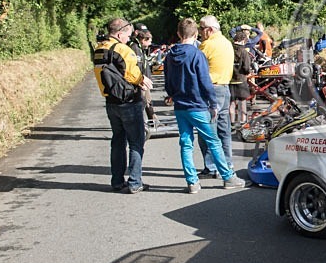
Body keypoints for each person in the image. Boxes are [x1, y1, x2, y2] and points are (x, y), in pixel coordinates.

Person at [163, 18, 246, 193]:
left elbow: (168, 81)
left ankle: (192, 182)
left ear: (178, 34)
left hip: (180, 106)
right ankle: (228, 177)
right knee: (214, 141)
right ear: (194, 34)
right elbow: (205, 81)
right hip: (198, 105)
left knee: (186, 143)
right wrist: (213, 103)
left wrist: (173, 94)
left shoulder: (170, 55)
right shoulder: (197, 54)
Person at [92, 18, 153, 194]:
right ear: (119, 33)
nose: (128, 38)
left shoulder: (99, 48)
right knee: (136, 142)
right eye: (127, 35)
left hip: (111, 101)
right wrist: (142, 80)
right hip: (129, 100)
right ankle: (135, 182)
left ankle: (117, 181)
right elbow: (131, 72)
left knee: (118, 141)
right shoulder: (122, 49)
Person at [198, 15, 234, 178]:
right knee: (223, 129)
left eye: (201, 29)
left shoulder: (207, 45)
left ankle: (211, 166)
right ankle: (227, 164)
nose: (199, 32)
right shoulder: (227, 43)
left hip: (209, 89)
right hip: (224, 88)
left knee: (206, 129)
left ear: (210, 30)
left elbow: (196, 68)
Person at [129, 25, 158, 127]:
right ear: (143, 40)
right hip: (140, 81)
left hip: (144, 80)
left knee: (147, 101)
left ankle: (153, 121)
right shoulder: (135, 48)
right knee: (143, 102)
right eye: (149, 40)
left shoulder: (141, 48)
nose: (150, 43)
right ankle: (140, 123)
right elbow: (137, 66)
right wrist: (141, 80)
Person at [229, 30, 253, 126]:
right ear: (243, 40)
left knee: (231, 103)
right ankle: (243, 121)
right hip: (241, 79)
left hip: (230, 79)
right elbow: (246, 67)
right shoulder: (244, 52)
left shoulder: (228, 50)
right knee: (242, 102)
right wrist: (247, 72)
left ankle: (232, 122)